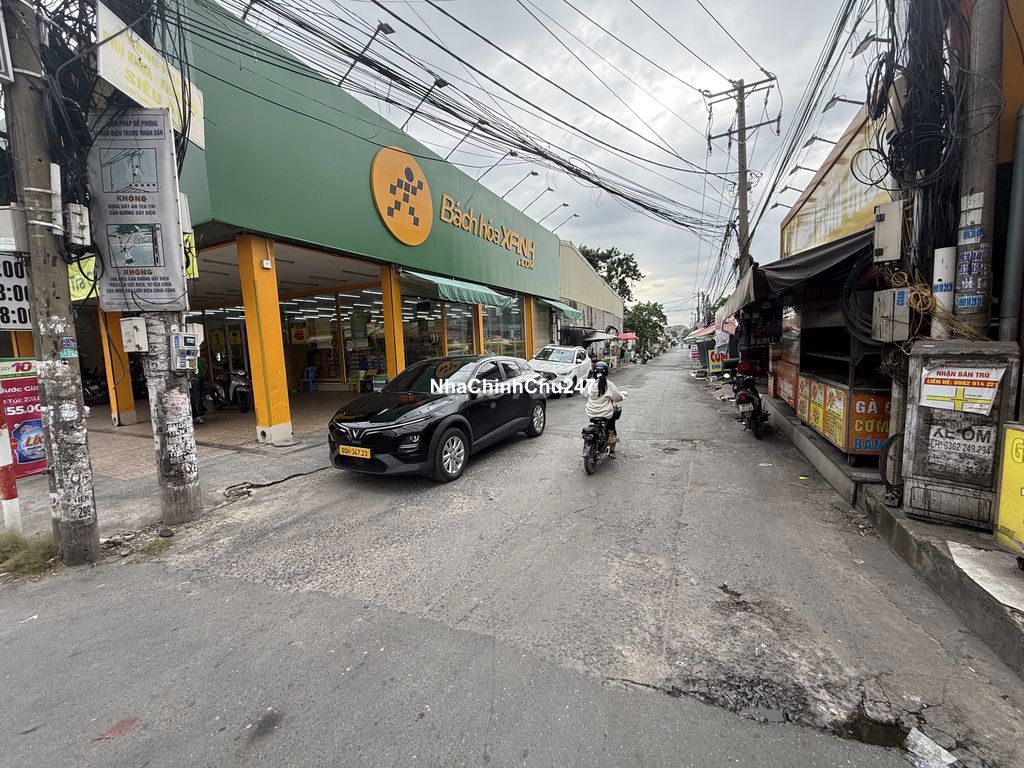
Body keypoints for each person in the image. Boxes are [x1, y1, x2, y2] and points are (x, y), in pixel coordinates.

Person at [585, 360, 627, 454]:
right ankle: (611, 436)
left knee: (609, 413)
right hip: (605, 413)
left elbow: (585, 394)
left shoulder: (589, 383)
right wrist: (623, 395)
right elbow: (617, 397)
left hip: (591, 412)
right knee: (613, 414)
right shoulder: (608, 384)